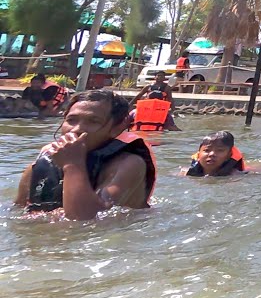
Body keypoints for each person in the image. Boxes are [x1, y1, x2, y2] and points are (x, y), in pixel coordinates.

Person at [14, 89, 157, 219]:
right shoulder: (37, 168)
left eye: (93, 121)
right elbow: (17, 213)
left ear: (117, 128)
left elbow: (87, 219)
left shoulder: (129, 164)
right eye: (71, 120)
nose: (76, 129)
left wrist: (73, 165)